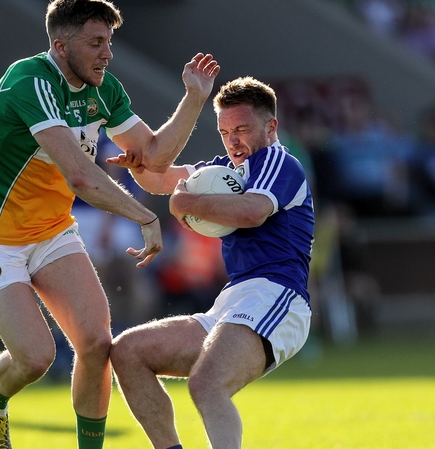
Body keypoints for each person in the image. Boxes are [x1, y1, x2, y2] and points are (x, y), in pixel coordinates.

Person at [0, 1, 219, 447]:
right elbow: (79, 175)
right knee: (35, 359)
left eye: (109, 42)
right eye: (96, 42)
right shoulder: (29, 80)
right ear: (61, 44)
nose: (106, 53)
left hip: (52, 230)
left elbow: (152, 156)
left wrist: (194, 99)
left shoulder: (103, 89)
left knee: (97, 346)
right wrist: (144, 215)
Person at [108, 76, 315, 449]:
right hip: (233, 302)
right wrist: (139, 165)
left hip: (277, 296)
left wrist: (185, 204)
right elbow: (162, 181)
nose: (232, 140)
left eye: (241, 129)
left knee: (206, 384)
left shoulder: (277, 161)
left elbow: (252, 211)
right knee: (127, 351)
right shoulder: (225, 169)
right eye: (224, 131)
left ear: (271, 127)